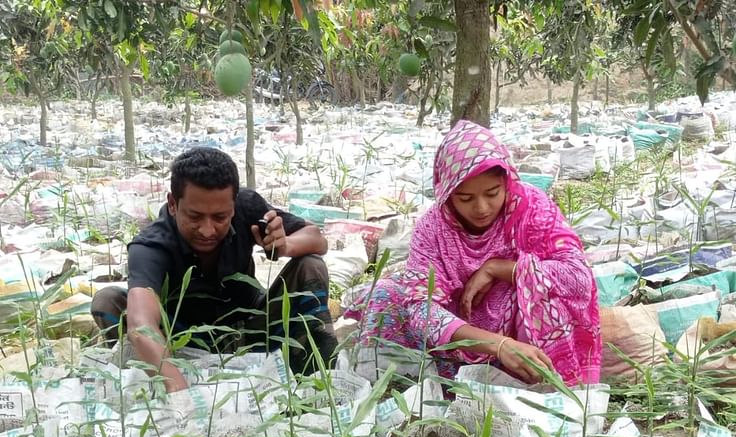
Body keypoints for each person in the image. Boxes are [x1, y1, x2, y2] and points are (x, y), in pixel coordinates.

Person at [346, 121, 601, 387]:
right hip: (457, 338)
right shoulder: (433, 228)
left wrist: (499, 268)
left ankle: (540, 387)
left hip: (522, 339)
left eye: (493, 194)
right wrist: (497, 344)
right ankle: (429, 386)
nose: (481, 208)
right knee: (384, 296)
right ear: (446, 194)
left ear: (507, 181)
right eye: (465, 199)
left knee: (541, 292)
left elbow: (578, 278)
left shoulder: (532, 209)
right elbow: (422, 309)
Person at [91, 146, 337, 392]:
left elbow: (317, 239)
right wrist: (183, 398)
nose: (208, 230)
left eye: (220, 217)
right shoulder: (152, 245)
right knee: (108, 302)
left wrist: (285, 245)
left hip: (253, 332)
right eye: (195, 217)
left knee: (310, 266)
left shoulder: (247, 206)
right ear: (173, 204)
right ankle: (148, 376)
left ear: (233, 205)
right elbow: (142, 324)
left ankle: (317, 377)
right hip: (182, 343)